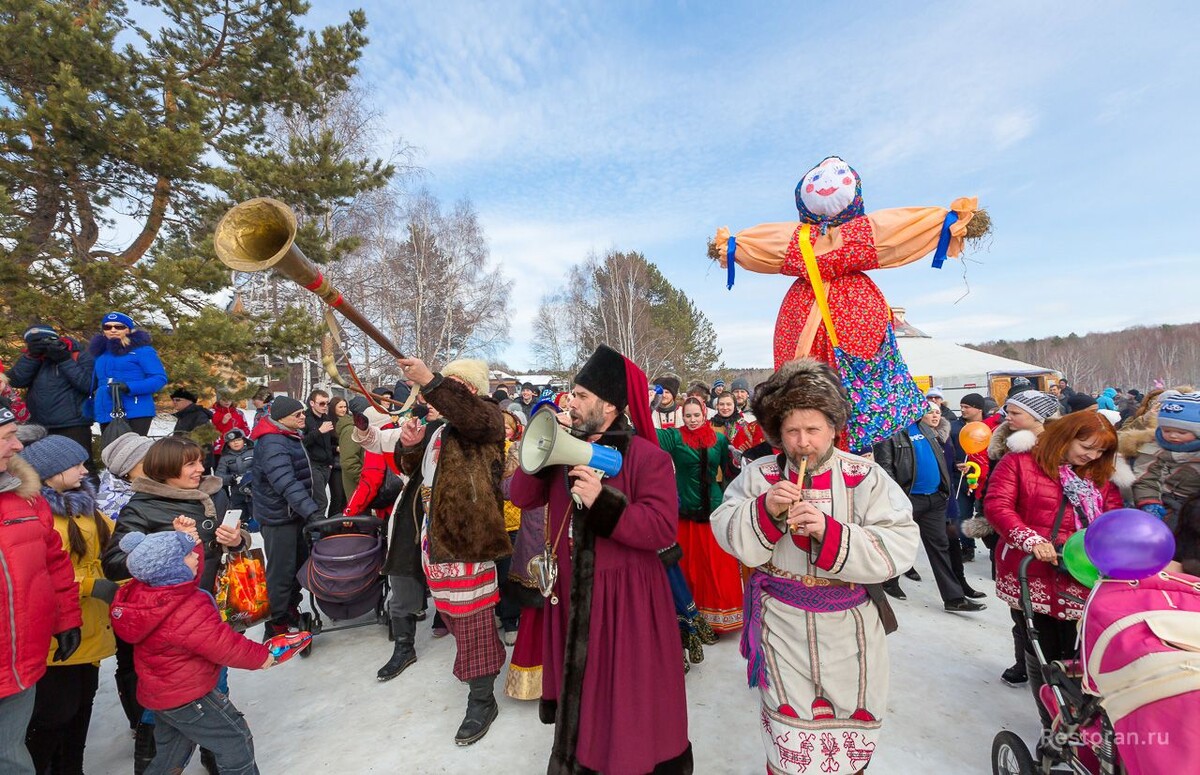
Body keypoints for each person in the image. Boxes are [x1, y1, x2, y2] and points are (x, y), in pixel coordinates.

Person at [711, 359, 919, 775]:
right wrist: (764, 510)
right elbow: (726, 527)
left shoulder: (866, 476)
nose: (803, 442)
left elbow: (900, 543)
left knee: (850, 737)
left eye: (813, 430)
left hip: (852, 628)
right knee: (792, 740)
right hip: (781, 623)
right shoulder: (759, 475)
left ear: (833, 428)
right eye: (792, 431)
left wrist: (832, 532)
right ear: (778, 432)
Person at [511, 344, 691, 774]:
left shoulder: (649, 458)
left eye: (581, 395)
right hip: (573, 596)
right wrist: (537, 453)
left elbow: (663, 528)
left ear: (609, 406)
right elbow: (520, 496)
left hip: (626, 602)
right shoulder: (562, 449)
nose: (570, 402)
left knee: (623, 704)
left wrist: (604, 503)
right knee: (582, 700)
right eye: (571, 394)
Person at [389, 356, 511, 746]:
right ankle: (480, 683)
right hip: (436, 538)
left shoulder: (487, 418)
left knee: (474, 620)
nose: (443, 393)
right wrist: (408, 447)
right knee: (456, 619)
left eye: (455, 385)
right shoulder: (441, 431)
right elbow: (417, 473)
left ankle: (482, 700)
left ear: (470, 390)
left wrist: (431, 380)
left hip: (468, 540)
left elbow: (471, 417)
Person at [984, 411, 1123, 729]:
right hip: (1032, 568)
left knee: (1079, 653)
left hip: (1083, 572)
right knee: (1043, 649)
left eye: (1100, 451)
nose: (1092, 455)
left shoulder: (1097, 473)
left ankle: (1080, 719)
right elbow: (998, 505)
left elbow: (1112, 514)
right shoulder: (1021, 461)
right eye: (1086, 446)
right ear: (1066, 436)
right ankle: (1051, 721)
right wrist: (1030, 539)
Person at [109, 531, 275, 775]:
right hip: (189, 695)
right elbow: (222, 644)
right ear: (172, 568)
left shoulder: (148, 593)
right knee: (234, 740)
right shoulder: (185, 609)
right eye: (188, 555)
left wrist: (192, 544)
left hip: (162, 693)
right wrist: (261, 657)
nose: (196, 559)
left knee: (170, 757)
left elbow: (182, 575)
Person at [19, 435, 117, 774]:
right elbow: (38, 575)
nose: (84, 469)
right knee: (53, 715)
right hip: (57, 633)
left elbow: (115, 544)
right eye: (75, 465)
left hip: (91, 624)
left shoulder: (85, 504)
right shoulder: (36, 513)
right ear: (49, 473)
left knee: (80, 711)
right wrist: (92, 585)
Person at [0, 408, 82, 775]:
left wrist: (66, 619)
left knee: (10, 756)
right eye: (6, 437)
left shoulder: (27, 498)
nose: (17, 446)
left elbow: (54, 562)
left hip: (20, 661)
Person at [873, 402, 986, 612]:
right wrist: (897, 499)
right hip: (908, 500)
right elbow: (885, 469)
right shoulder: (889, 433)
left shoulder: (925, 428)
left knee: (940, 547)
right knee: (899, 542)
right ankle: (889, 581)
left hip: (935, 499)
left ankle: (954, 599)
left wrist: (952, 470)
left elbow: (936, 457)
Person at [658, 397, 742, 633]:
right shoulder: (674, 437)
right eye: (688, 416)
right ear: (682, 416)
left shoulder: (720, 439)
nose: (692, 420)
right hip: (685, 509)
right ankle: (690, 617)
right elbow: (645, 433)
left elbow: (726, 472)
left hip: (713, 510)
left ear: (704, 414)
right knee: (688, 565)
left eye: (696, 415)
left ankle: (719, 617)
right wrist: (649, 404)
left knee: (716, 568)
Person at [248, 397, 322, 639]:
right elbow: (286, 482)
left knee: (298, 565)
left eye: (303, 413)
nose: (303, 417)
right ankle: (276, 622)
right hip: (279, 517)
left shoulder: (286, 436)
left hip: (293, 514)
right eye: (298, 414)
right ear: (281, 418)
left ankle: (289, 607)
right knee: (281, 571)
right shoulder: (272, 442)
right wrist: (311, 511)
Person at [6, 325, 96, 473]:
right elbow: (16, 380)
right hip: (39, 425)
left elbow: (87, 385)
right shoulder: (33, 358)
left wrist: (64, 360)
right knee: (41, 469)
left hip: (73, 423)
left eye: (45, 340)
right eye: (34, 342)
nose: (42, 345)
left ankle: (90, 496)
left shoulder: (77, 354)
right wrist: (32, 357)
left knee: (81, 464)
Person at [89, 312, 168, 436]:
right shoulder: (100, 353)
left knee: (132, 452)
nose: (113, 330)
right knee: (110, 451)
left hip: (136, 409)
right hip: (106, 408)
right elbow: (94, 382)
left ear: (129, 329)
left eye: (119, 327)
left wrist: (129, 387)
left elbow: (159, 378)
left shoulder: (142, 351)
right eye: (108, 327)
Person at [1132, 390, 1200, 529]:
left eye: (1182, 432)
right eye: (1166, 430)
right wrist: (1149, 502)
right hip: (1161, 498)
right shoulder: (1153, 448)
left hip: (1193, 504)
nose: (1173, 436)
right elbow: (1145, 477)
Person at [96, 432, 155, 518]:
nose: (154, 465)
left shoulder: (149, 484)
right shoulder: (112, 506)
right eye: (145, 462)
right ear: (125, 469)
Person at [302, 389, 335, 519]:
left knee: (319, 500)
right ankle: (316, 531)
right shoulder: (305, 418)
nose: (325, 406)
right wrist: (319, 431)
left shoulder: (325, 418)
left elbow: (327, 443)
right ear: (312, 403)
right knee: (321, 501)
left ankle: (316, 528)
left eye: (327, 403)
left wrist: (331, 461)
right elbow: (302, 442)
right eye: (321, 403)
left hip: (326, 465)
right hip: (313, 465)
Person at [215, 429, 255, 525]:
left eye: (238, 440)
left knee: (257, 517)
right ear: (228, 444)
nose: (235, 443)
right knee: (238, 518)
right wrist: (232, 478)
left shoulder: (254, 452)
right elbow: (218, 476)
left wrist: (251, 476)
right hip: (237, 493)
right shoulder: (225, 458)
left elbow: (263, 467)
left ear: (244, 440)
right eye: (232, 441)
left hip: (255, 491)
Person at [211, 396, 250, 462]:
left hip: (237, 449)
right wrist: (222, 423)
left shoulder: (239, 413)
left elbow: (246, 430)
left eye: (229, 398)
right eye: (224, 399)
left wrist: (238, 432)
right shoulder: (212, 413)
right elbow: (208, 433)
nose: (227, 402)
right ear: (218, 399)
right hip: (219, 450)